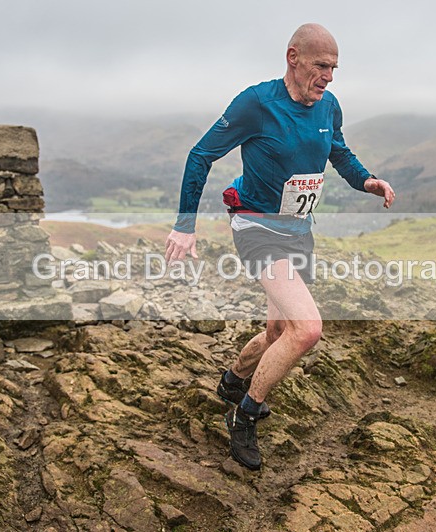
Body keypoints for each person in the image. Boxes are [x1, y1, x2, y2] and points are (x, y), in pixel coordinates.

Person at [165, 23, 395, 470]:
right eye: (320, 66)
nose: (328, 76)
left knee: (278, 333)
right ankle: (244, 414)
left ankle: (233, 380)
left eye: (333, 68)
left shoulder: (329, 105)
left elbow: (339, 152)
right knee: (307, 330)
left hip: (298, 230)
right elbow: (201, 155)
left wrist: (367, 181)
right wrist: (185, 224)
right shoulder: (257, 103)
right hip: (256, 226)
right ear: (293, 58)